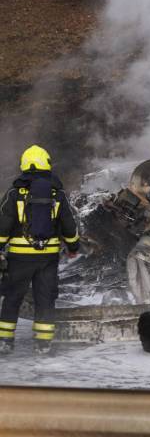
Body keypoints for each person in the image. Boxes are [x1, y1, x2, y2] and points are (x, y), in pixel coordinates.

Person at [0, 145, 80, 355]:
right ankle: (43, 344)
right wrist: (73, 247)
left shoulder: (14, 193)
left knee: (13, 297)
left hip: (19, 259)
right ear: (47, 163)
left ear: (24, 165)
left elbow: (3, 226)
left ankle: (5, 341)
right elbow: (69, 226)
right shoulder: (57, 193)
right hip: (47, 257)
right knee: (45, 299)